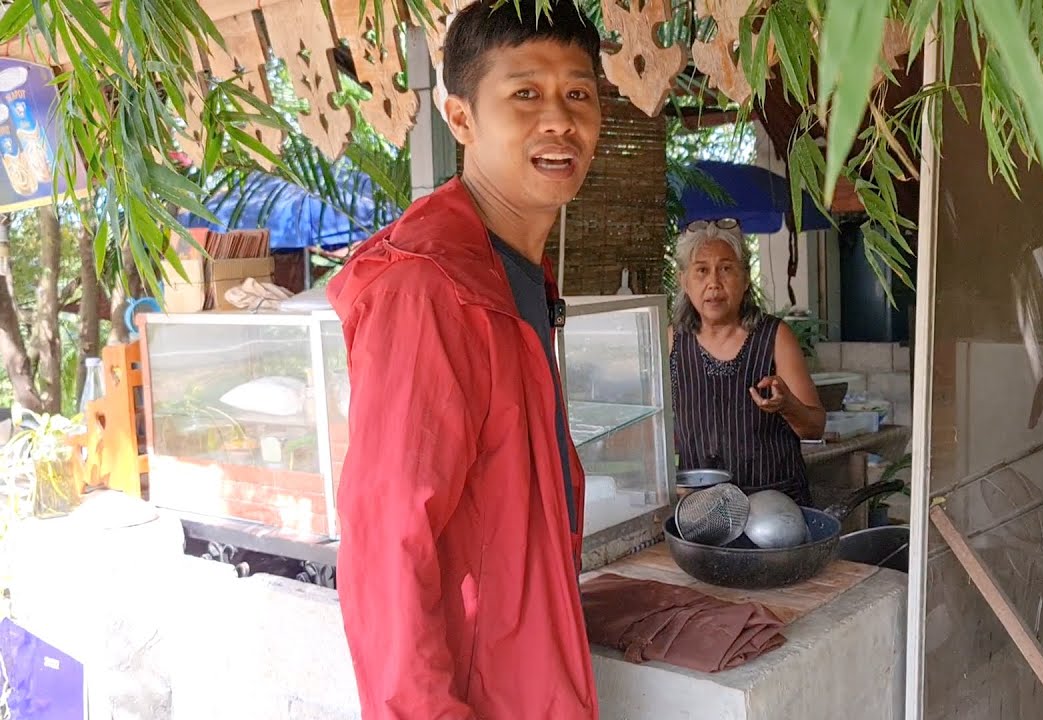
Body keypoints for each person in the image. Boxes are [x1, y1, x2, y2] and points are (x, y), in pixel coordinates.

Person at [326, 2, 602, 718]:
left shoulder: (511, 275)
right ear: (460, 119)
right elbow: (388, 543)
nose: (558, 120)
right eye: (525, 94)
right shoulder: (429, 289)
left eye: (578, 93)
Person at [669, 218, 827, 505]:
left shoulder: (775, 337)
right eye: (701, 271)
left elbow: (815, 427)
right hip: (704, 513)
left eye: (726, 269)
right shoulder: (672, 342)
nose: (714, 283)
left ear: (745, 278)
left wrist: (788, 406)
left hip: (777, 509)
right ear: (684, 281)